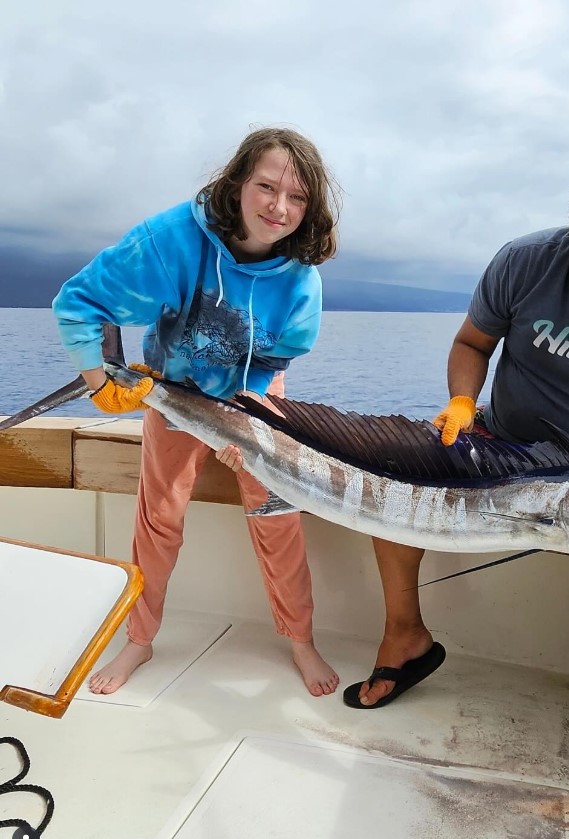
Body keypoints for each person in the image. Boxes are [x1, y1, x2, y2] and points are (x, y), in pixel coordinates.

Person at [343, 126, 569, 821]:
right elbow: (472, 342)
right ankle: (405, 636)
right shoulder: (524, 260)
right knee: (397, 473)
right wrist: (458, 401)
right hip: (497, 434)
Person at [52, 127, 342, 698]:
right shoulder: (171, 239)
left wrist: (245, 418)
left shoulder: (302, 277)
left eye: (298, 197)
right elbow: (79, 302)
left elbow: (272, 358)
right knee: (158, 518)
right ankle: (139, 637)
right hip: (173, 390)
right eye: (266, 187)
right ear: (238, 183)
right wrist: (98, 380)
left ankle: (301, 638)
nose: (279, 207)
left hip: (253, 399)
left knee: (277, 517)